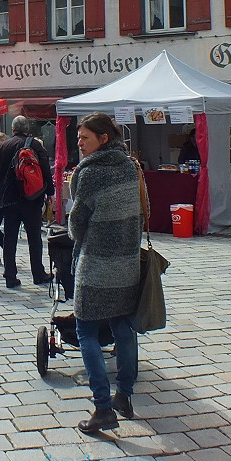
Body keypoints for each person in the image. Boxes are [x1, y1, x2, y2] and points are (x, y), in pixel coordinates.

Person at [68, 112, 142, 435]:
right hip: (127, 263)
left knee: (86, 331)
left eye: (85, 138)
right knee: (123, 328)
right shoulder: (129, 166)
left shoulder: (90, 174)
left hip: (96, 265)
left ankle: (101, 407)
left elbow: (76, 223)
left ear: (103, 139)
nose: (80, 144)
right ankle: (123, 397)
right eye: (78, 139)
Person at [0, 115, 53, 288]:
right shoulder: (35, 144)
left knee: (10, 239)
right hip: (31, 198)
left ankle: (10, 276)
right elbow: (45, 168)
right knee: (34, 238)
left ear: (13, 129)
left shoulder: (2, 146)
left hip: (8, 200)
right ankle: (38, 274)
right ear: (27, 129)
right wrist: (50, 192)